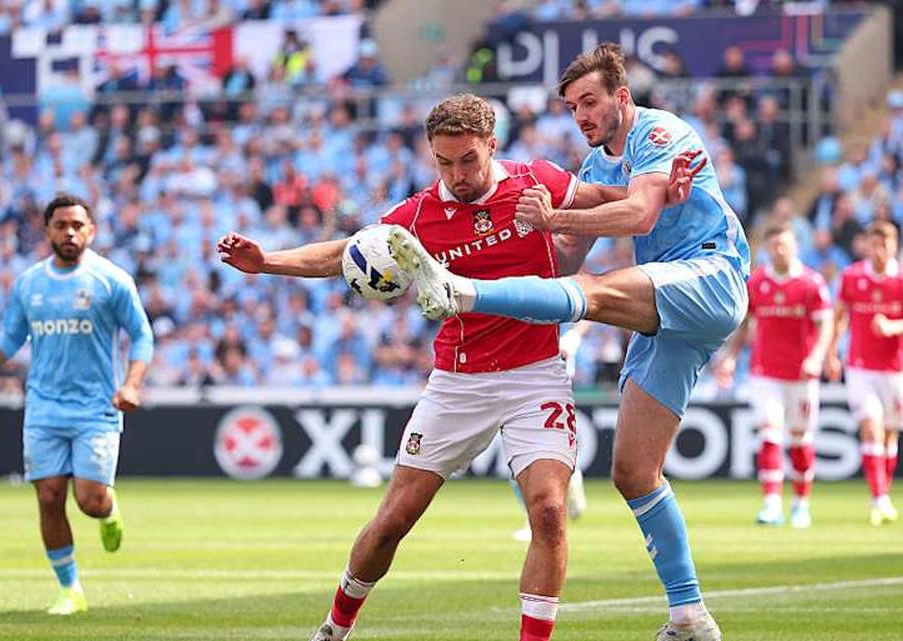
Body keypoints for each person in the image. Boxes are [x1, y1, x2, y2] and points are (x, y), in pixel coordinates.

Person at [217, 93, 698, 641]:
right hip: (457, 382)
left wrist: (663, 192)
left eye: (468, 160)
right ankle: (334, 627)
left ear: (492, 145)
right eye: (444, 163)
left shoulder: (534, 182)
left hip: (535, 372)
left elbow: (612, 198)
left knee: (547, 512)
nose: (458, 175)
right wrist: (266, 263)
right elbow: (344, 252)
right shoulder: (418, 216)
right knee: (395, 519)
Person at [385, 43, 747, 641]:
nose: (580, 115)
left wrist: (547, 222)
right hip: (663, 308)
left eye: (590, 101)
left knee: (595, 292)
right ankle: (691, 617)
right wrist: (504, 234)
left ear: (621, 98)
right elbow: (563, 264)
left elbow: (639, 217)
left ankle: (461, 292)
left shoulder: (658, 133)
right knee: (634, 471)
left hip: (710, 276)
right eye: (571, 106)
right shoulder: (595, 169)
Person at [0, 194, 154, 615]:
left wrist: (132, 383)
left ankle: (110, 509)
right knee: (48, 496)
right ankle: (70, 590)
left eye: (78, 225)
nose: (70, 232)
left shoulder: (110, 279)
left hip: (96, 405)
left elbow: (141, 336)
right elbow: (10, 337)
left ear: (92, 231)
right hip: (43, 406)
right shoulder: (30, 283)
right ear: (47, 231)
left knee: (90, 501)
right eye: (61, 225)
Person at [717, 225, 833, 529]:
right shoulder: (758, 282)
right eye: (774, 245)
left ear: (795, 246)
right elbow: (744, 325)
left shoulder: (811, 283)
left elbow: (825, 325)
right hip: (764, 372)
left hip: (801, 375)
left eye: (784, 244)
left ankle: (801, 503)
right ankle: (770, 502)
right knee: (769, 432)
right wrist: (730, 357)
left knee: (799, 439)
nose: (779, 250)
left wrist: (817, 357)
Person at [824, 221, 903, 526]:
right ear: (866, 245)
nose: (879, 250)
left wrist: (893, 326)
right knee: (871, 428)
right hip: (860, 367)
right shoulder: (853, 276)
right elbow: (839, 316)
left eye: (885, 243)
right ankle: (878, 498)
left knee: (890, 436)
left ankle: (883, 495)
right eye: (874, 243)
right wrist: (831, 353)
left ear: (894, 246)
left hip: (894, 369)